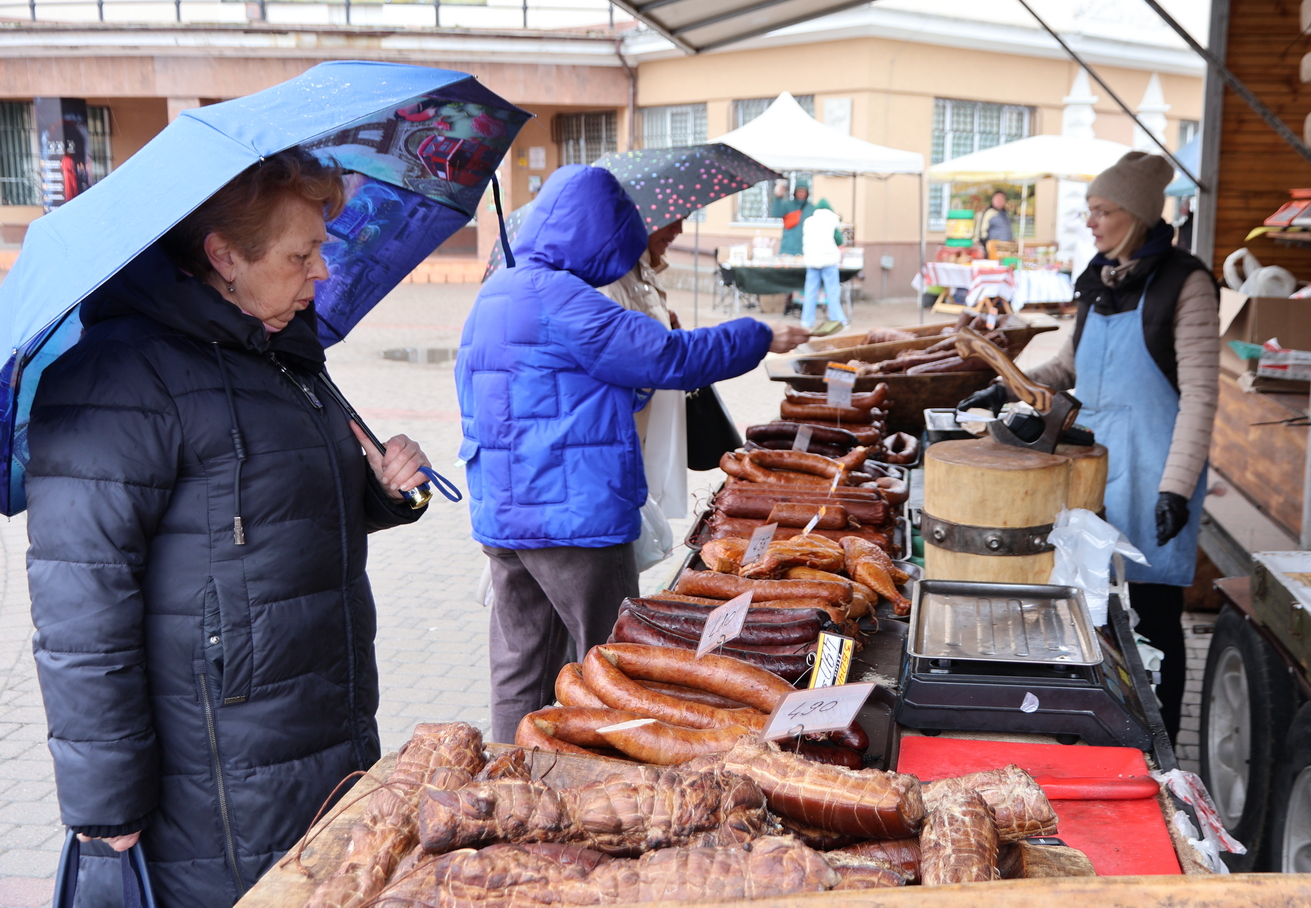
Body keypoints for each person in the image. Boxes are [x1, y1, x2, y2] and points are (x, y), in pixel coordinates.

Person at [25, 148, 432, 906]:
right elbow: (80, 607)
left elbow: (280, 512)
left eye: (322, 251)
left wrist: (382, 490)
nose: (322, 274)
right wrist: (106, 806)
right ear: (223, 256)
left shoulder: (285, 354)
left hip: (325, 721)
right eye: (301, 254)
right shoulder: (115, 380)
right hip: (214, 767)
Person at [457, 165, 808, 744]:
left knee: (521, 663)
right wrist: (759, 334)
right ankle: (597, 782)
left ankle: (507, 773)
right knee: (611, 666)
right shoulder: (561, 298)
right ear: (597, 233)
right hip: (572, 520)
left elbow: (557, 385)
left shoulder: (500, 292)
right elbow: (670, 358)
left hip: (505, 515)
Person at [958, 151, 1217, 741]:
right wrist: (1009, 385)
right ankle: (1095, 727)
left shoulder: (1187, 283)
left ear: (1138, 214)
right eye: (1089, 211)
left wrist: (1175, 487)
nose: (1092, 223)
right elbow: (1069, 364)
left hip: (1156, 463)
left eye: (1103, 211)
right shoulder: (1098, 278)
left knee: (1152, 616)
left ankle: (1164, 741)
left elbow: (1202, 395)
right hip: (1090, 462)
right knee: (1085, 602)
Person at [599, 218, 688, 518]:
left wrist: (666, 325)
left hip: (647, 419)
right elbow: (617, 353)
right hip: (629, 423)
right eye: (674, 220)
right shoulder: (613, 276)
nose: (679, 231)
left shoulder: (643, 267)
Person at [799, 199, 847, 330]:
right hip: (829, 261)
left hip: (812, 261)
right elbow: (838, 239)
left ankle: (806, 321)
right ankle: (838, 320)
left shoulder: (808, 221)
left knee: (810, 292)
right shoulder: (832, 219)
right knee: (832, 291)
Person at [770, 181, 814, 256]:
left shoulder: (811, 208)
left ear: (807, 193)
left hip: (805, 249)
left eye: (803, 191)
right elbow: (776, 214)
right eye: (799, 191)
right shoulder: (787, 205)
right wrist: (778, 197)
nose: (801, 193)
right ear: (795, 192)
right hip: (787, 248)